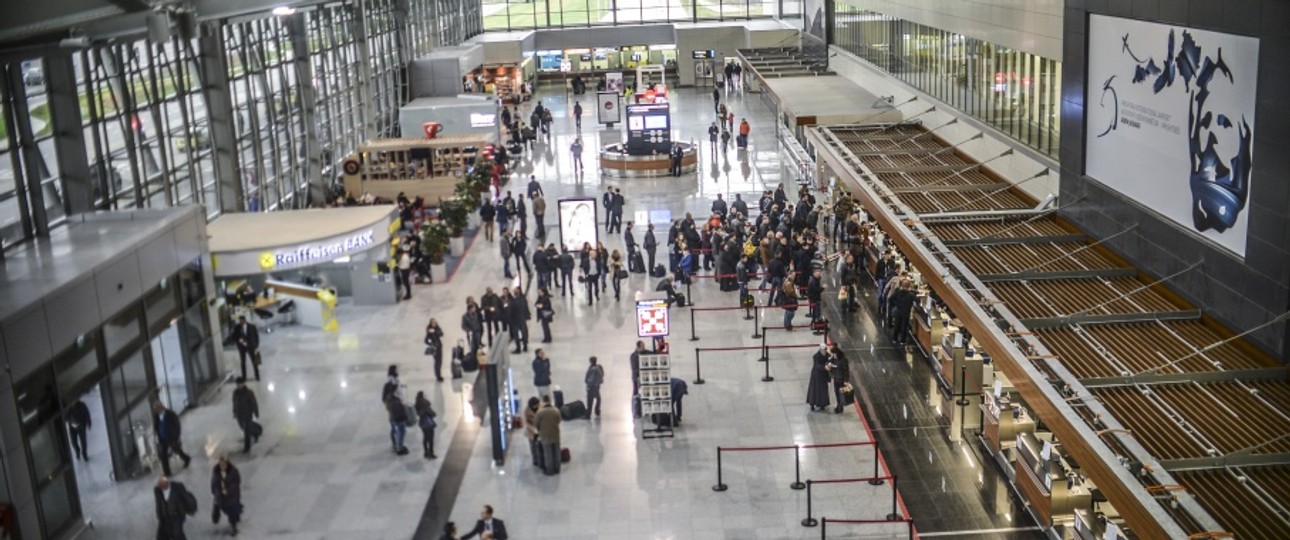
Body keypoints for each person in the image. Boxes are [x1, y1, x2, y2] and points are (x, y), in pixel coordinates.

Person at [152, 401, 191, 476]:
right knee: (163, 456)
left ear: (161, 407)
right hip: (162, 438)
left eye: (157, 408)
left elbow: (177, 424)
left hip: (171, 437)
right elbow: (156, 426)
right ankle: (167, 472)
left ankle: (186, 458)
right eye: (155, 409)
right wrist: (157, 435)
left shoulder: (170, 414)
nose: (156, 410)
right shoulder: (156, 416)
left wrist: (177, 435)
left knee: (177, 450)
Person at [211, 455, 243, 536]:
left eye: (224, 464)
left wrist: (228, 490)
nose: (222, 466)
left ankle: (234, 526)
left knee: (232, 512)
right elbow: (213, 483)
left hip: (231, 497)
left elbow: (236, 483)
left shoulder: (233, 472)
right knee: (218, 507)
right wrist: (214, 491)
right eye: (220, 464)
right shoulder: (216, 472)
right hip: (219, 496)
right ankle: (216, 517)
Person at [154, 475, 194, 540]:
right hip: (165, 516)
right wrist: (159, 516)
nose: (162, 488)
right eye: (160, 487)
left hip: (177, 515)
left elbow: (185, 498)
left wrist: (188, 510)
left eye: (163, 486)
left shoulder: (177, 487)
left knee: (177, 534)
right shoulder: (157, 490)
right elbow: (158, 503)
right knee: (162, 536)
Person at [383, 366, 410, 455]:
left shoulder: (390, 395)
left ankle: (397, 445)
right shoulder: (392, 388)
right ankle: (399, 447)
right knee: (400, 430)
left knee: (395, 429)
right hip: (397, 412)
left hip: (393, 412)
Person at [535, 395, 562, 475]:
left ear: (543, 401)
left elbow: (536, 423)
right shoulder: (556, 410)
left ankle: (550, 469)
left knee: (548, 452)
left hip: (545, 434)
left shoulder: (540, 412)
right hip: (555, 433)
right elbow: (559, 420)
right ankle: (557, 468)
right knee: (557, 450)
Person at [232, 377, 259, 454]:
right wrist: (234, 412)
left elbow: (253, 403)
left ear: (243, 384)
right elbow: (234, 403)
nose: (238, 386)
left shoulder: (249, 393)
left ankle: (247, 447)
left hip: (247, 414)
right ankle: (255, 433)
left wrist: (256, 412)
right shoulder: (235, 393)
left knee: (246, 431)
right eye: (237, 384)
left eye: (239, 384)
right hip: (239, 415)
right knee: (242, 427)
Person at [230, 315, 261, 381]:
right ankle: (244, 377)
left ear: (244, 320)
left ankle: (257, 375)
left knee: (254, 361)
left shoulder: (252, 327)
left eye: (242, 320)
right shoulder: (237, 327)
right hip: (242, 348)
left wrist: (256, 345)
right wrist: (239, 340)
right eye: (239, 321)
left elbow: (256, 336)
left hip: (251, 347)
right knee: (243, 362)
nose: (240, 322)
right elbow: (233, 337)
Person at [807, 345, 833, 411]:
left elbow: (830, 360)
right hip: (816, 376)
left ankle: (822, 404)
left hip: (823, 375)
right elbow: (816, 365)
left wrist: (829, 364)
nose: (824, 351)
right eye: (823, 350)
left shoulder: (827, 355)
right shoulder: (816, 356)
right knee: (814, 390)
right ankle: (812, 403)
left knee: (823, 390)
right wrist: (824, 367)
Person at [415, 391, 438, 459]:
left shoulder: (417, 404)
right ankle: (431, 452)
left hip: (422, 423)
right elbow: (433, 414)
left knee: (425, 437)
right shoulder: (426, 405)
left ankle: (425, 452)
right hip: (429, 424)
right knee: (430, 439)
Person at [829, 344, 851, 414]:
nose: (833, 356)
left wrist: (846, 380)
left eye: (834, 354)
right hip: (836, 379)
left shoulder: (844, 360)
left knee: (841, 393)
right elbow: (829, 362)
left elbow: (846, 371)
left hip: (841, 380)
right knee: (837, 393)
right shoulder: (834, 358)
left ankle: (840, 406)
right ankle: (839, 405)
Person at [508, 286, 531, 353]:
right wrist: (527, 316)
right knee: (524, 333)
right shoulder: (523, 300)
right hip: (522, 319)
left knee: (516, 335)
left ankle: (518, 348)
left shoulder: (513, 302)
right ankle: (525, 347)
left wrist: (510, 319)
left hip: (515, 320)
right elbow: (526, 308)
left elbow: (510, 312)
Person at [523, 396, 541, 467]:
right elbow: (526, 422)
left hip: (540, 429)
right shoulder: (526, 410)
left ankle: (540, 459)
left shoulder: (541, 407)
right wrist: (533, 429)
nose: (535, 407)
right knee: (533, 445)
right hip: (531, 431)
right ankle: (535, 460)